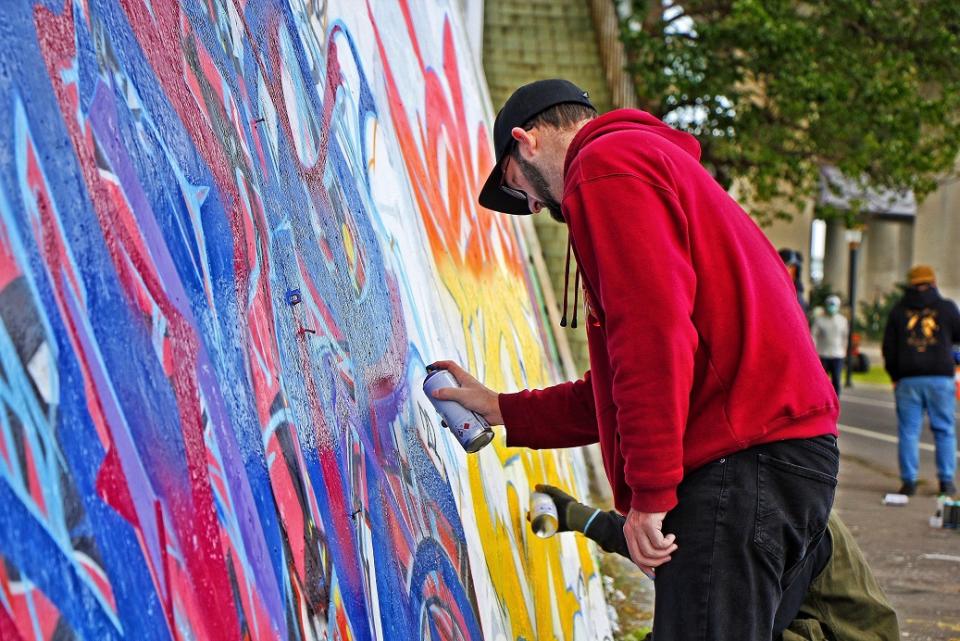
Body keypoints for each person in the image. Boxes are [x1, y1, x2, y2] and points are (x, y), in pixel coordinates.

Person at [431, 79, 840, 640]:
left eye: (516, 185)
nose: (531, 203)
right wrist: (500, 407)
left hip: (741, 462)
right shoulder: (647, 164)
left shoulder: (604, 165)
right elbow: (618, 385)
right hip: (781, 458)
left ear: (526, 142)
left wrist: (650, 495)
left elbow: (651, 339)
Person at [534, 484, 900, 641]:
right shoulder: (745, 494)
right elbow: (681, 549)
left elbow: (736, 619)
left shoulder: (768, 513)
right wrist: (581, 518)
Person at [882, 264, 960, 497]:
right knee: (944, 429)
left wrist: (895, 376)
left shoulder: (897, 311)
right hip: (940, 377)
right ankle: (946, 482)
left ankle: (909, 482)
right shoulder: (946, 308)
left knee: (908, 431)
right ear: (933, 282)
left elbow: (889, 348)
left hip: (908, 379)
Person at [812, 295, 849, 396]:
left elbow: (845, 337)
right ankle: (822, 399)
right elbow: (813, 335)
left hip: (838, 355)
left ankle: (836, 400)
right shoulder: (819, 320)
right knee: (822, 381)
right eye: (830, 305)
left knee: (836, 380)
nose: (832, 307)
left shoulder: (843, 321)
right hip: (823, 354)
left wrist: (844, 350)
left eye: (834, 305)